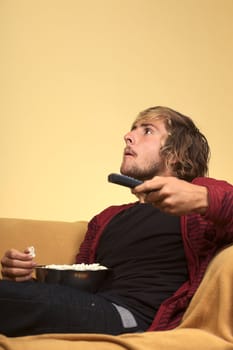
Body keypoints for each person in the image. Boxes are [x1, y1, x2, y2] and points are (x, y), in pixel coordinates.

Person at [0, 106, 232, 337]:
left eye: (147, 130)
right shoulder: (106, 218)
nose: (128, 137)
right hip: (94, 306)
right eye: (132, 130)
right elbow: (72, 291)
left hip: (132, 317)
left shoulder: (203, 205)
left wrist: (202, 197)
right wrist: (24, 281)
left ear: (176, 153)